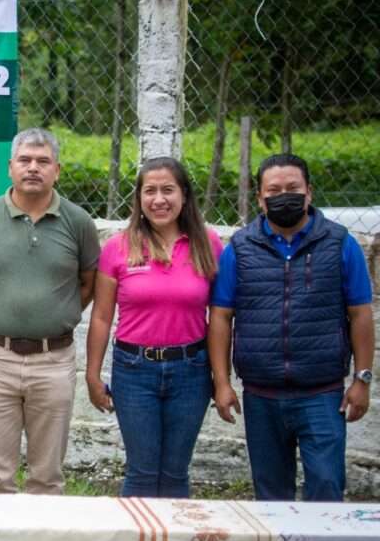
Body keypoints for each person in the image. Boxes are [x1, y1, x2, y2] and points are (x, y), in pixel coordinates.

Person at [208, 153, 374, 502]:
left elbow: (360, 314)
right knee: (271, 497)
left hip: (322, 394)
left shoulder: (340, 244)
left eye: (293, 188)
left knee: (327, 488)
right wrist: (222, 383)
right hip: (261, 395)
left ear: (309, 192)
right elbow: (221, 317)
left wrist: (362, 380)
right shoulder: (239, 249)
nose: (284, 196)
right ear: (260, 198)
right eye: (274, 190)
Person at [0, 127, 100, 495]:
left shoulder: (78, 222)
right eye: (24, 160)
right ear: (10, 167)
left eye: (43, 161)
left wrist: (55, 314)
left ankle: (43, 534)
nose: (33, 168)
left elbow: (88, 283)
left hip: (53, 361)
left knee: (47, 476)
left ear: (57, 170)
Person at [85, 157, 223, 498]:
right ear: (139, 198)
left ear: (184, 195)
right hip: (134, 371)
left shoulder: (208, 244)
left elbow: (221, 317)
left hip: (191, 371)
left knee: (175, 473)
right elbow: (101, 316)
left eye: (168, 190)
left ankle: (174, 535)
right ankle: (136, 535)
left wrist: (222, 380)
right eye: (150, 191)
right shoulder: (118, 247)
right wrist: (92, 374)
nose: (159, 199)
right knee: (142, 472)